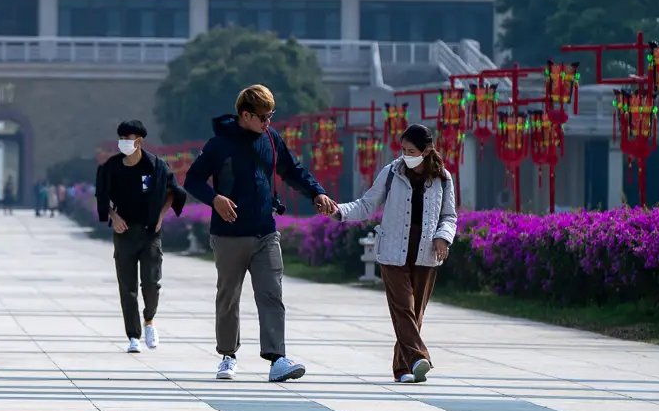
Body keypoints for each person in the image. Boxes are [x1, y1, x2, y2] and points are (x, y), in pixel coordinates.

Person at [183, 84, 333, 383]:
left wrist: (315, 193)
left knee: (271, 295)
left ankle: (277, 359)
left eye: (271, 116)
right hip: (228, 235)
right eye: (263, 117)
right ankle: (228, 355)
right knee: (229, 296)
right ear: (245, 114)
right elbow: (193, 179)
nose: (268, 123)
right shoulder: (219, 144)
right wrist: (215, 199)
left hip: (265, 231)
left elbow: (292, 169)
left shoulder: (271, 139)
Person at [325, 123, 457, 383]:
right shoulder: (391, 173)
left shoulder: (443, 178)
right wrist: (338, 210)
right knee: (403, 308)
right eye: (403, 149)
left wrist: (443, 237)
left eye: (411, 150)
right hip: (393, 251)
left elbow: (449, 216)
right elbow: (366, 204)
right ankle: (420, 357)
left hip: (426, 252)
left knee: (415, 312)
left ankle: (403, 369)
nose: (405, 155)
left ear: (426, 150)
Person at [95, 119, 188, 353]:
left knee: (151, 283)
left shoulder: (156, 166)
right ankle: (133, 336)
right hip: (125, 233)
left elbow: (173, 193)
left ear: (139, 141)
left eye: (128, 138)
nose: (123, 142)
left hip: (150, 232)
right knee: (127, 287)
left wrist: (161, 217)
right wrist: (114, 217)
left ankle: (149, 321)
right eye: (121, 138)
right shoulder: (111, 168)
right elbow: (102, 197)